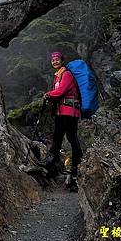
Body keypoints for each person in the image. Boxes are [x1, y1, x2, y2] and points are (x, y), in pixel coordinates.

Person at [43, 51, 83, 179]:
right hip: (61, 112)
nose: (55, 62)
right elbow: (57, 92)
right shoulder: (57, 76)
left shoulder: (66, 74)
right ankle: (51, 163)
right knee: (57, 136)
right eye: (53, 60)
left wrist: (48, 94)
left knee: (71, 137)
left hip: (70, 112)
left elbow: (61, 91)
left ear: (62, 61)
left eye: (57, 59)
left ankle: (76, 166)